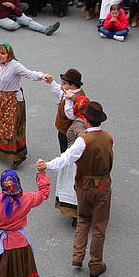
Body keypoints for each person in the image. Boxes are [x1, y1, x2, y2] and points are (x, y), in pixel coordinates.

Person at [40, 101, 114, 277]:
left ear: (86, 120)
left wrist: (46, 165)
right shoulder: (109, 138)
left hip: (83, 186)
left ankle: (78, 255)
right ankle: (96, 263)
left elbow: (66, 159)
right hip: (103, 186)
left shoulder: (82, 141)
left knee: (83, 219)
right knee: (99, 227)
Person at [51, 95, 89, 226]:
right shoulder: (88, 120)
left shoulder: (79, 122)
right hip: (83, 158)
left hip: (74, 158)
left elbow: (81, 135)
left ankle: (77, 214)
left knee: (72, 185)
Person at [48, 68, 85, 153]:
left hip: (68, 131)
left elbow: (71, 115)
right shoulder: (68, 91)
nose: (61, 85)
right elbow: (59, 92)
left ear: (73, 86)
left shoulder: (77, 97)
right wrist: (51, 82)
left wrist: (68, 99)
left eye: (64, 83)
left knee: (67, 152)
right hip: (63, 128)